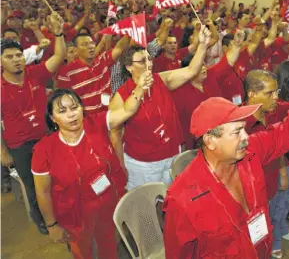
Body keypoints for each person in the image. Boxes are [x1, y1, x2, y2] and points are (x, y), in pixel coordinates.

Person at [163, 54, 289, 258]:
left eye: (244, 129)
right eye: (236, 132)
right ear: (210, 141)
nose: (246, 137)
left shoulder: (251, 151)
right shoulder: (182, 199)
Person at [31, 82, 151, 259]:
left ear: (82, 108)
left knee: (109, 244)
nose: (71, 115)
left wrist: (139, 88)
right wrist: (51, 225)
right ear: (52, 117)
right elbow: (43, 191)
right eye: (62, 111)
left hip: (107, 201)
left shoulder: (96, 123)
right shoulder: (44, 149)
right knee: (83, 250)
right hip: (75, 214)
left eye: (74, 107)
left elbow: (127, 111)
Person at [109, 25, 212, 190]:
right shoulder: (120, 97)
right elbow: (114, 135)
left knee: (172, 198)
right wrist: (121, 166)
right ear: (129, 67)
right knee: (148, 205)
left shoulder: (161, 80)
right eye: (142, 61)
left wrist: (203, 45)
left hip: (171, 155)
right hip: (143, 165)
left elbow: (192, 70)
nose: (149, 64)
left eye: (149, 59)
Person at [1, 12, 66, 235]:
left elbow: (58, 57)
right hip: (20, 145)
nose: (16, 59)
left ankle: (59, 211)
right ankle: (41, 219)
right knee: (32, 185)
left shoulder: (35, 74)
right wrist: (3, 151)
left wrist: (58, 32)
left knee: (56, 177)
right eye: (9, 57)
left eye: (18, 55)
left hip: (45, 137)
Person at [242, 69, 289, 258]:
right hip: (249, 197)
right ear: (252, 94)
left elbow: (277, 146)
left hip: (270, 183)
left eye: (277, 92)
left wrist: (282, 172)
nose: (276, 97)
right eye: (270, 93)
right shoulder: (239, 126)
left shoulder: (272, 111)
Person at [171, 30, 245, 149]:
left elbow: (229, 61)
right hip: (197, 143)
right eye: (199, 67)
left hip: (221, 135)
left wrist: (236, 45)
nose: (204, 68)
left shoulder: (211, 75)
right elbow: (178, 124)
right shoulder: (179, 91)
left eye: (204, 64)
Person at [55, 33, 131, 114]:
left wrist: (131, 29)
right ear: (76, 50)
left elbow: (120, 48)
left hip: (109, 115)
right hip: (88, 121)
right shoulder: (66, 73)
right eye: (85, 44)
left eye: (92, 43)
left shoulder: (103, 60)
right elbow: (63, 101)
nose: (90, 46)